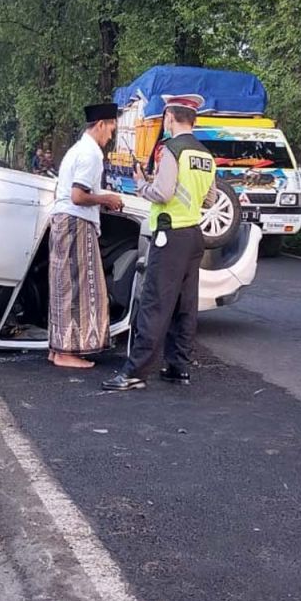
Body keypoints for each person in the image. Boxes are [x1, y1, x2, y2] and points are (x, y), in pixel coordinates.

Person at [103, 94, 219, 391]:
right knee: (185, 305)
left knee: (155, 303)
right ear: (193, 119)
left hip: (170, 236)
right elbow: (211, 198)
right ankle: (178, 367)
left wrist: (143, 184)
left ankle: (135, 372)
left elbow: (164, 193)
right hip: (194, 236)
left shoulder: (172, 149)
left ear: (170, 117)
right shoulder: (205, 154)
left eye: (165, 118)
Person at [48, 102, 125, 369]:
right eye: (111, 128)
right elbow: (78, 195)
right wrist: (106, 199)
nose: (111, 135)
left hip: (62, 220)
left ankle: (57, 350)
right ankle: (69, 352)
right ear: (101, 124)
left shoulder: (75, 150)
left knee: (62, 286)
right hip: (76, 222)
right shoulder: (91, 154)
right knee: (79, 287)